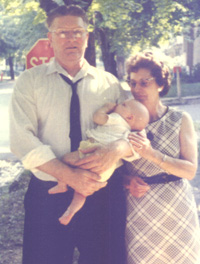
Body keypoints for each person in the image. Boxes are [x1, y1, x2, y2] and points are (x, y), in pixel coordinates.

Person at [9, 5, 131, 264]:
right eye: (62, 33)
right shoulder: (29, 82)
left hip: (103, 193)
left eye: (77, 32)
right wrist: (71, 176)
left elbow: (131, 133)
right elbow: (22, 140)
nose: (71, 38)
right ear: (50, 39)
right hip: (49, 191)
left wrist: (120, 149)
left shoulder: (110, 84)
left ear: (87, 37)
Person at [124, 51, 200, 263]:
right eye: (132, 83)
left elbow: (190, 170)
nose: (137, 89)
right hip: (140, 209)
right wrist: (127, 181)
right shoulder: (123, 121)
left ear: (160, 83)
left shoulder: (179, 119)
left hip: (177, 208)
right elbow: (112, 170)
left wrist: (153, 155)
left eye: (144, 82)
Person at [48, 99, 149, 225]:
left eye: (123, 105)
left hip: (92, 154)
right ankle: (71, 211)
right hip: (106, 169)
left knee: (65, 160)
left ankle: (62, 185)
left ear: (129, 117)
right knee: (82, 191)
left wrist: (106, 107)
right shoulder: (128, 132)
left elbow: (97, 117)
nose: (119, 104)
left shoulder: (116, 119)